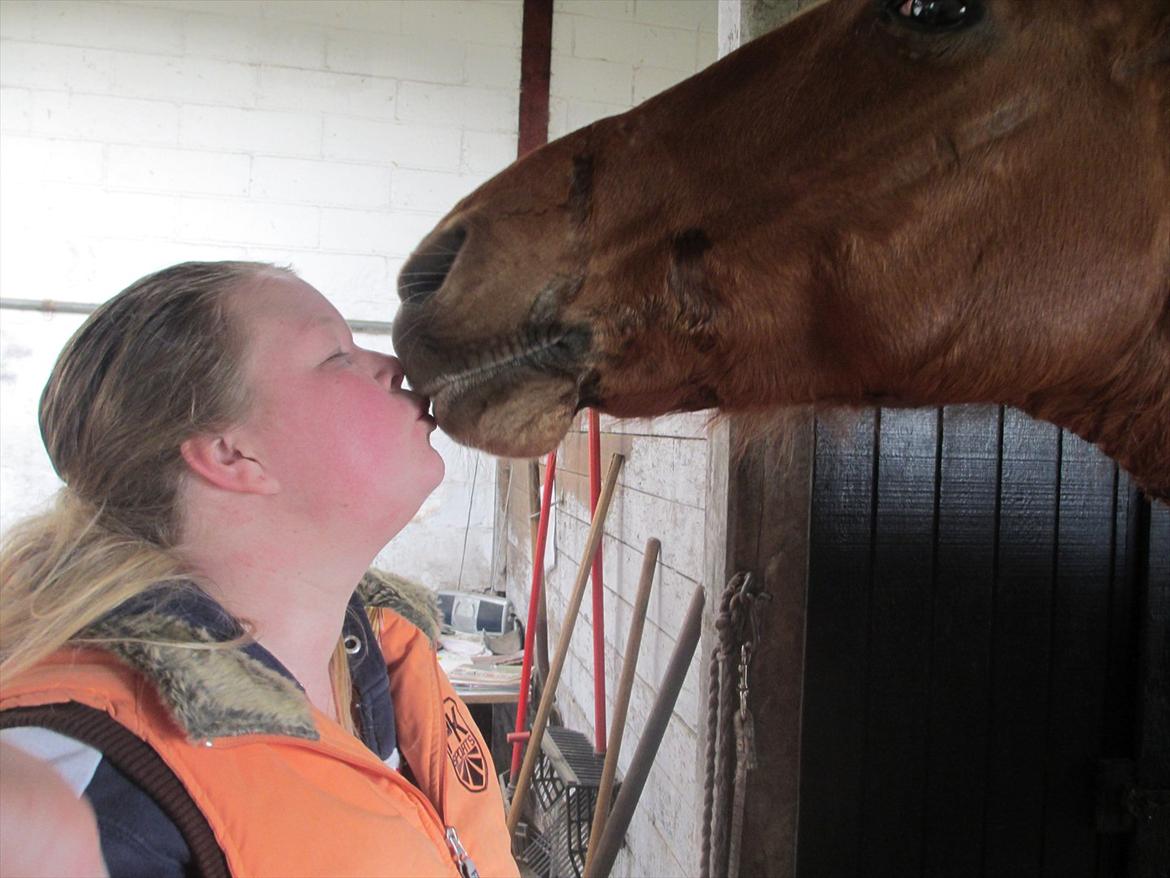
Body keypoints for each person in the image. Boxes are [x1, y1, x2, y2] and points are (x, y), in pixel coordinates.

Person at [0, 261, 519, 877]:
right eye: (336, 354)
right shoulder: (96, 789)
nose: (395, 366)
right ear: (230, 452)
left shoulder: (385, 658)